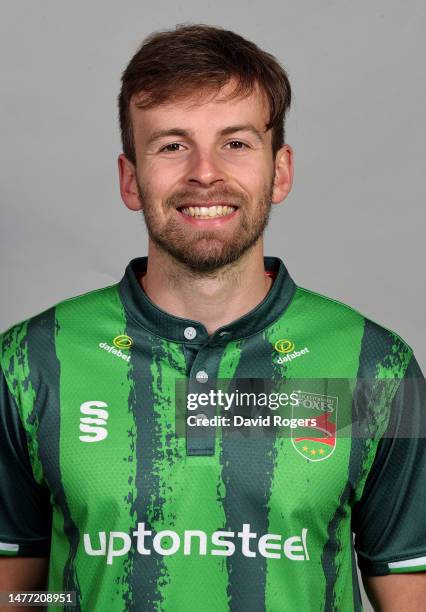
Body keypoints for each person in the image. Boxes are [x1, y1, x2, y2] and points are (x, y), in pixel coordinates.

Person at [0, 23, 424, 612]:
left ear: (280, 171)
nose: (205, 172)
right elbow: (16, 593)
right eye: (172, 145)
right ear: (130, 178)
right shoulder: (30, 362)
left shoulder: (376, 367)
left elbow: (409, 588)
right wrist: (66, 601)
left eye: (236, 143)